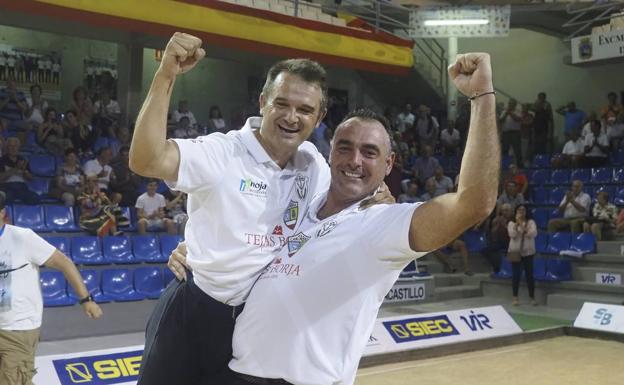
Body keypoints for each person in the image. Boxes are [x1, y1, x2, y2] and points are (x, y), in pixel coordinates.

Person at [171, 52, 499, 384]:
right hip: (235, 373)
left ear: (389, 164)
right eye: (345, 147)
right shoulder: (304, 207)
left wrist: (481, 98)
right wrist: (193, 247)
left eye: (370, 152)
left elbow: (474, 203)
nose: (355, 160)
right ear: (330, 152)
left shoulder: (382, 224)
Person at [129, 33, 333, 385]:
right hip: (194, 312)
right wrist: (165, 76)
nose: (291, 116)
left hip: (257, 327)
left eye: (304, 110)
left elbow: (338, 219)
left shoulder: (315, 166)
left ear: (319, 116)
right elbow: (146, 160)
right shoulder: (221, 152)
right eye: (281, 104)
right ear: (262, 101)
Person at [0, 194, 103, 385]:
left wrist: (86, 299)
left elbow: (64, 263)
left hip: (18, 328)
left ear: (2, 213)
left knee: (13, 380)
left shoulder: (22, 238)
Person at [507, 204, 538, 306]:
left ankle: (532, 297)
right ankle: (515, 297)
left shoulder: (531, 222)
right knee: (516, 275)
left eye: (523, 210)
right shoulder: (511, 223)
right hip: (516, 252)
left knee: (530, 275)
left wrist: (522, 225)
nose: (521, 212)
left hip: (528, 252)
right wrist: (517, 224)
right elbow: (513, 235)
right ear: (515, 212)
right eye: (519, 210)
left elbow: (532, 234)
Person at [0, 137, 40, 205]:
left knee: (35, 198)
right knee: (4, 200)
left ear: (19, 148)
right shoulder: (2, 160)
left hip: (22, 187)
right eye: (11, 146)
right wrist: (16, 168)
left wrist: (24, 170)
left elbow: (30, 178)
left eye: (15, 146)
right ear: (7, 148)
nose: (13, 148)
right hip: (7, 187)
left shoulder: (23, 160)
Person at [499, 98, 522, 165]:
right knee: (505, 150)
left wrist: (510, 113)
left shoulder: (518, 111)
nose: (510, 105)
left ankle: (519, 165)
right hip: (506, 133)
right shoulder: (504, 112)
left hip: (515, 133)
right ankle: (505, 164)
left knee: (517, 150)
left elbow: (517, 119)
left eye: (511, 104)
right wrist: (506, 113)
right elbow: (501, 120)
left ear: (515, 105)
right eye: (509, 103)